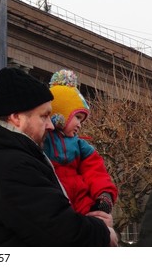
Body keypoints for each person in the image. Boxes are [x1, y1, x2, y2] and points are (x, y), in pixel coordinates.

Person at [0, 67, 118, 246]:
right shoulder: (12, 165)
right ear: (16, 117)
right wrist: (102, 233)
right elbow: (57, 229)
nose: (51, 125)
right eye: (44, 116)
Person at [43, 69, 118, 215]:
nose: (80, 124)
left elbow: (95, 171)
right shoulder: (44, 138)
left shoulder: (80, 145)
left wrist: (104, 193)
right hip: (54, 197)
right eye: (77, 117)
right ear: (60, 114)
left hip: (80, 199)